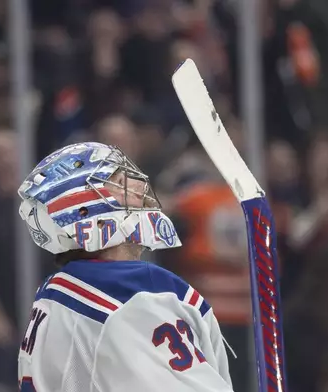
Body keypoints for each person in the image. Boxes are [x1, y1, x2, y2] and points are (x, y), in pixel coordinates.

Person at [17, 142, 233, 391]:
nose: (140, 187)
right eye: (120, 182)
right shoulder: (135, 295)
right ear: (85, 211)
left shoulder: (56, 290)